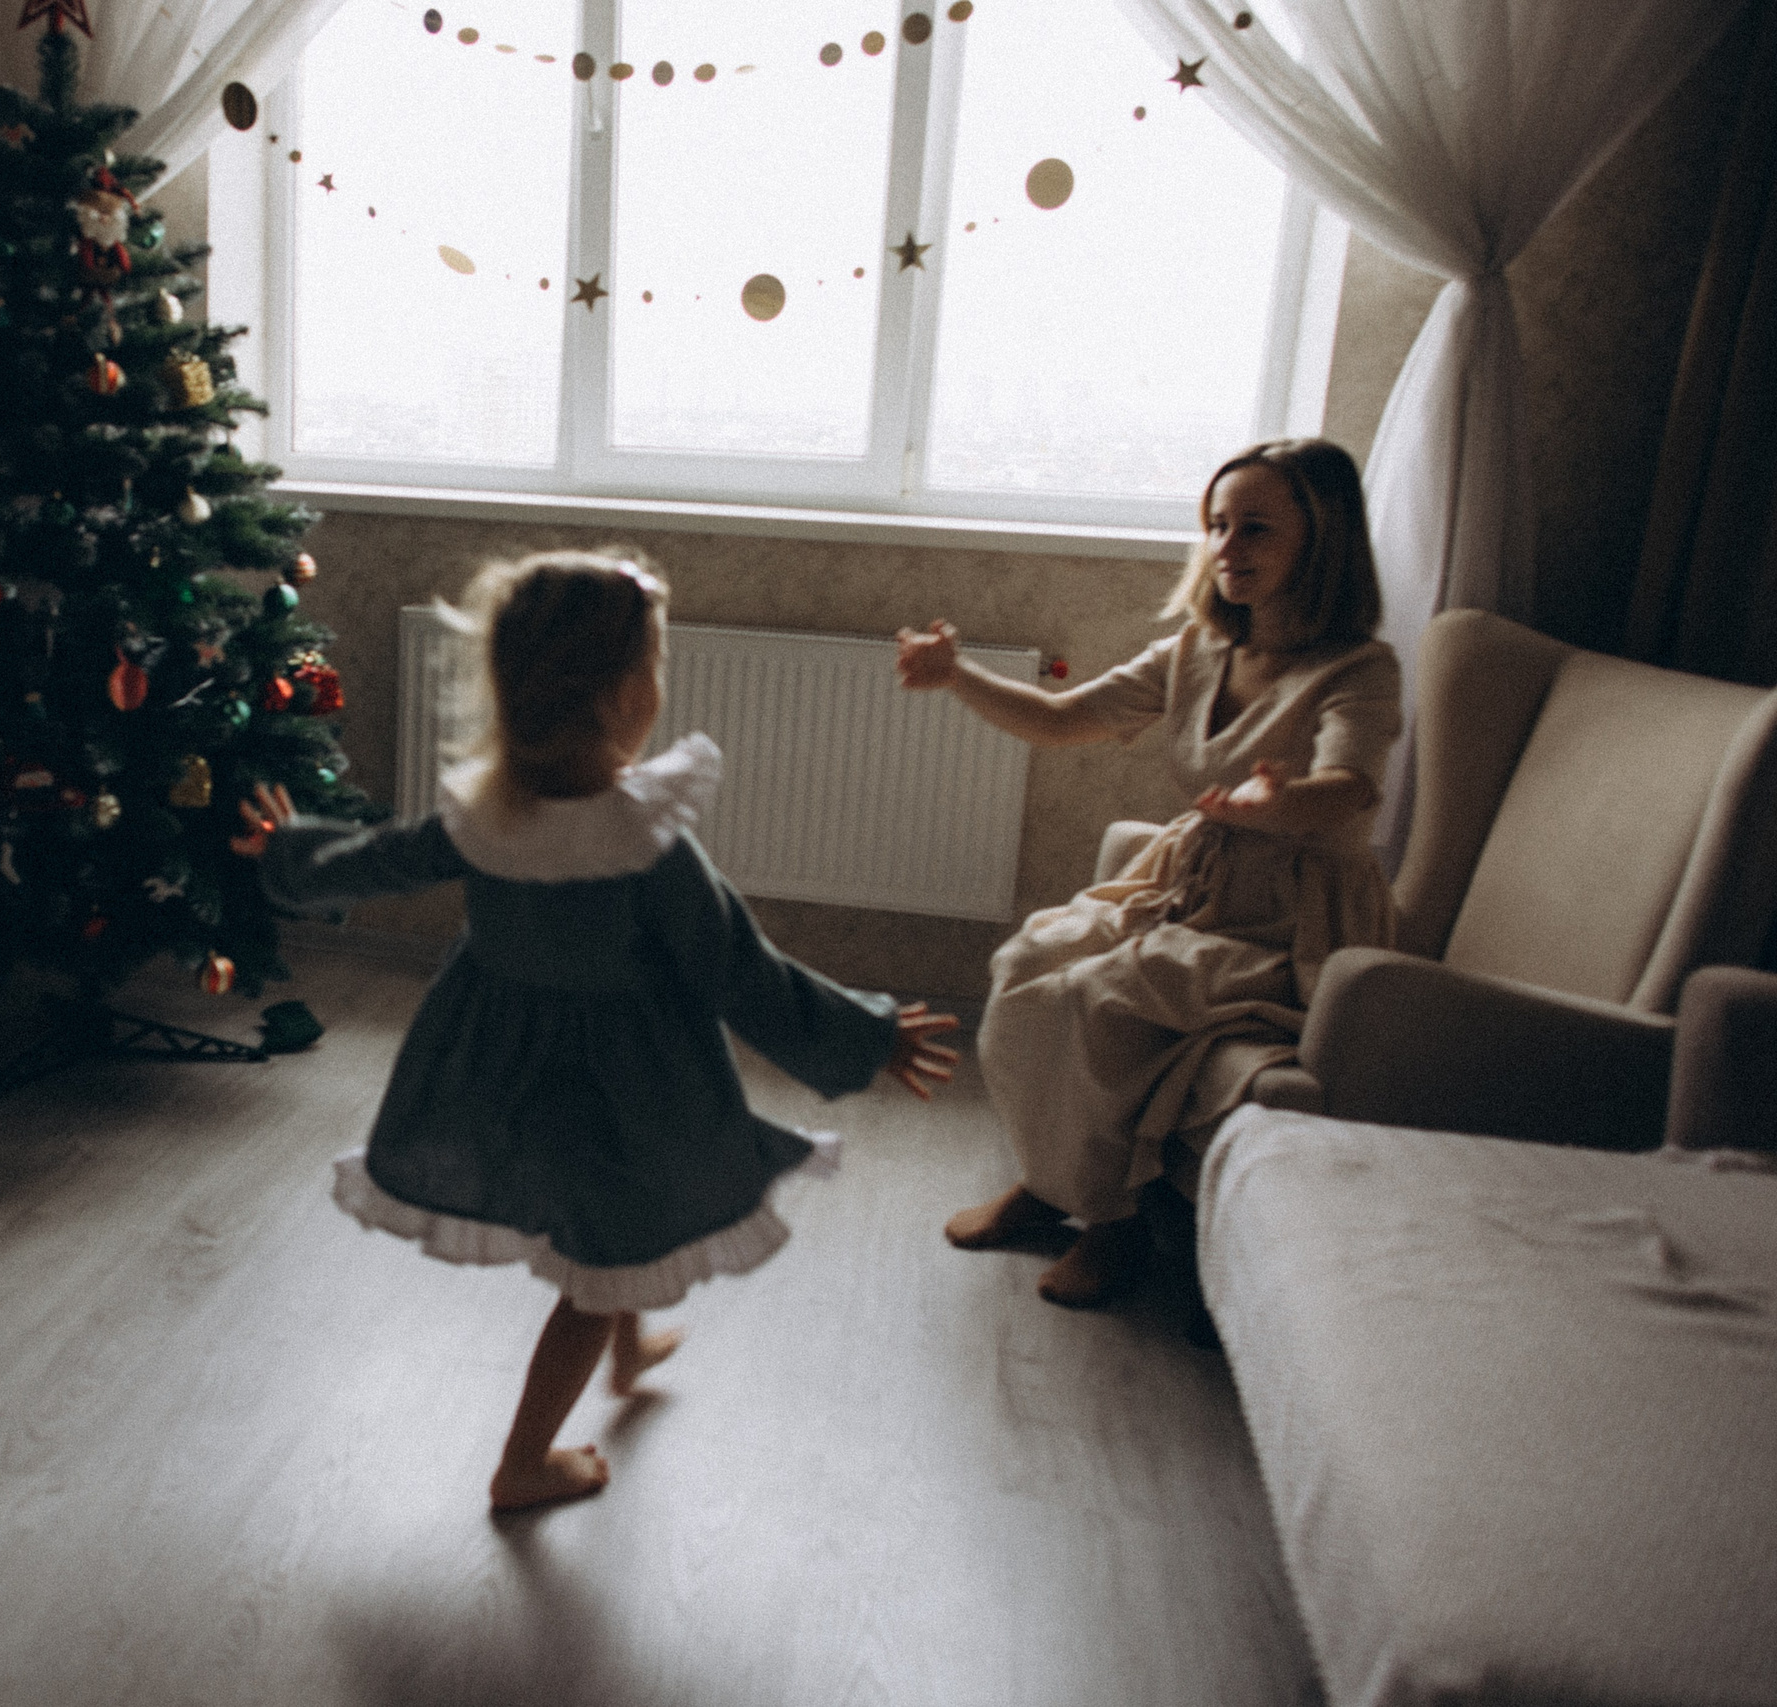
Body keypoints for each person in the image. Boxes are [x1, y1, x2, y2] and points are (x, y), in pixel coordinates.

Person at [234, 550, 961, 1512]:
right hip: (626, 1079)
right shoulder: (646, 843)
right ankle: (524, 1461)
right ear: (622, 695)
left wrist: (288, 851)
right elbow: (742, 970)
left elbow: (377, 860)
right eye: (654, 663)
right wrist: (868, 1034)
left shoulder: (487, 815)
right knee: (602, 1256)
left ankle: (629, 1352)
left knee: (615, 1225)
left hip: (499, 1066)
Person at [895, 438, 1399, 1309]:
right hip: (1193, 876)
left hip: (1288, 914)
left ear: (1322, 542)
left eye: (1256, 530)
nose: (1227, 548)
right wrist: (956, 676)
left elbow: (1350, 784)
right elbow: (1060, 718)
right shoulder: (1198, 648)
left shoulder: (1358, 669)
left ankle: (1111, 1223)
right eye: (1217, 526)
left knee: (1106, 999)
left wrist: (1284, 800)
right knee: (1024, 968)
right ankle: (1048, 1180)